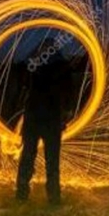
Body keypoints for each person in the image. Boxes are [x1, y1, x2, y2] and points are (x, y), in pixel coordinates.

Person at [16, 37, 74, 205]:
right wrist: (66, 116)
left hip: (34, 118)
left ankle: (22, 194)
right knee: (51, 159)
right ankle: (54, 197)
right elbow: (69, 96)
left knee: (28, 156)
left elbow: (23, 85)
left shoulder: (33, 67)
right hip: (51, 119)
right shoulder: (63, 68)